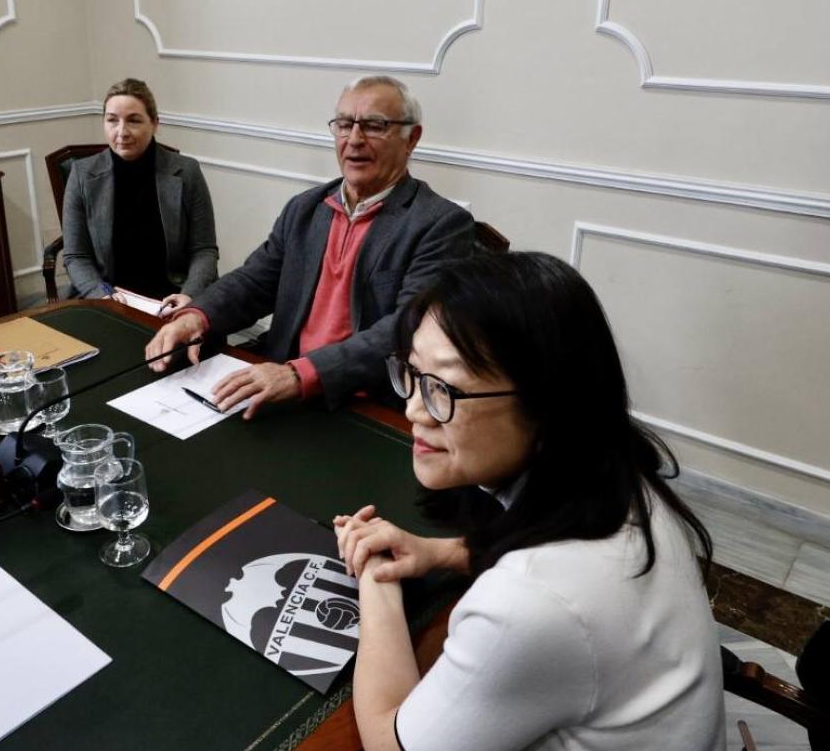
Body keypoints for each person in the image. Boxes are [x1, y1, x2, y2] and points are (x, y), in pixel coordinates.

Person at [334, 252, 724, 750]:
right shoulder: (618, 475)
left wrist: (377, 582)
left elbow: (390, 743)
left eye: (444, 389)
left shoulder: (526, 607)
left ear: (548, 405)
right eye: (412, 374)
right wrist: (441, 552)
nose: (414, 409)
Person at [145, 75, 474, 418]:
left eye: (375, 126)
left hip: (366, 403)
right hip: (280, 380)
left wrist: (299, 374)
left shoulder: (441, 225)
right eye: (344, 125)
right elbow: (254, 280)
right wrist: (197, 316)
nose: (355, 139)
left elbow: (409, 330)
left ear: (412, 138)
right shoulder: (305, 208)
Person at [62, 78, 219, 310]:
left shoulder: (187, 172)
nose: (121, 132)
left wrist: (188, 294)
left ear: (154, 123)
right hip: (109, 295)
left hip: (171, 297)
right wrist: (103, 294)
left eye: (134, 121)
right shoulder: (82, 174)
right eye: (112, 121)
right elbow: (76, 256)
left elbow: (204, 250)